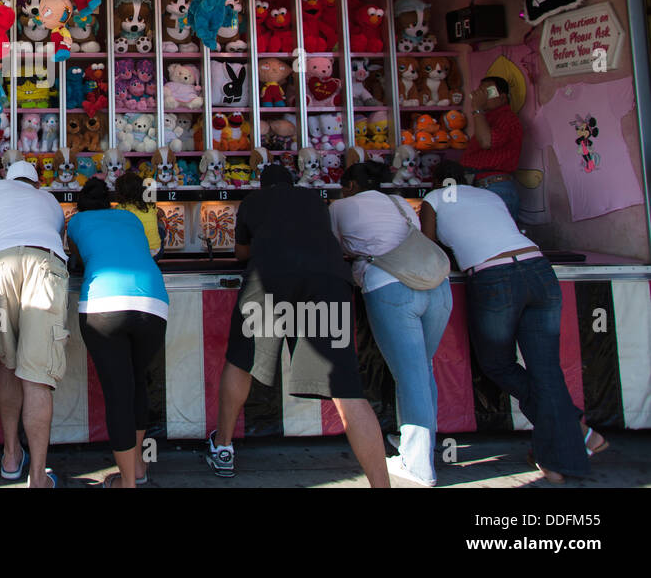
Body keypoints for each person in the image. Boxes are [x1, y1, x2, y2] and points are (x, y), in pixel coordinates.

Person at [422, 160, 606, 482]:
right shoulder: (491, 197)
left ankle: (566, 442)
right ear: (466, 179)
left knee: (498, 364)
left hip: (495, 277)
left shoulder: (433, 200)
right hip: (539, 270)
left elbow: (428, 248)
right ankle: (573, 444)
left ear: (436, 182)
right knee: (546, 370)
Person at [206, 163, 389, 487]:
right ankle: (381, 484)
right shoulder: (315, 200)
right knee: (346, 388)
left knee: (242, 362)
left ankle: (222, 446)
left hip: (269, 279)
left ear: (262, 185)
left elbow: (240, 253)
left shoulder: (252, 202)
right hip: (326, 281)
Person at [332, 161, 451, 486]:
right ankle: (418, 445)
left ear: (351, 186)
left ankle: (418, 467)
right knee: (421, 370)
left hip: (390, 287)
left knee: (410, 375)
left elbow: (333, 247)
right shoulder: (400, 202)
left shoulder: (340, 205)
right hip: (437, 287)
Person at [66, 178, 168, 488]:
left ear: (81, 203)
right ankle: (136, 468)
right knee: (138, 384)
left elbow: (78, 261)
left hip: (104, 305)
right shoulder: (130, 217)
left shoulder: (76, 222)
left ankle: (126, 482)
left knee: (118, 394)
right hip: (153, 302)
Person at [0, 160, 69, 488]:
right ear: (36, 181)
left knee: (8, 363)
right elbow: (57, 233)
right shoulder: (48, 199)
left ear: (7, 177)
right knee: (36, 376)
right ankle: (38, 477)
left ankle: (11, 455)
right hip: (42, 266)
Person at [462, 75, 524, 221]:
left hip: (495, 187)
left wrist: (477, 109)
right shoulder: (488, 118)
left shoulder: (507, 118)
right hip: (482, 186)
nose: (482, 97)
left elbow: (486, 142)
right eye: (480, 92)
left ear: (502, 98)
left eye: (488, 93)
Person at [113, 171, 162, 256]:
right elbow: (161, 213)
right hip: (155, 253)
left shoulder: (119, 209)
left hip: (133, 255)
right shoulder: (149, 205)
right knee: (161, 227)